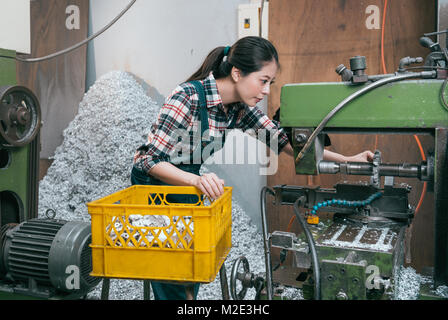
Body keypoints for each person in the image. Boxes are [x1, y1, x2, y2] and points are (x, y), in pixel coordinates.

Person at [131, 36, 373, 300]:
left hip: (188, 188)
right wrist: (196, 181)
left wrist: (348, 159)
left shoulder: (239, 110)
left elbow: (286, 144)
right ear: (237, 73)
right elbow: (147, 160)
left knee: (192, 271)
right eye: (263, 80)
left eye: (270, 83)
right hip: (154, 190)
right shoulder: (187, 97)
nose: (267, 91)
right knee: (172, 279)